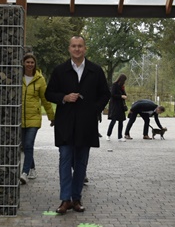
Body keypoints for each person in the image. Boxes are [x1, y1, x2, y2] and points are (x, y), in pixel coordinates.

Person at [46, 35, 110, 215]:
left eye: (80, 46)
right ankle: (65, 199)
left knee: (81, 162)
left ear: (85, 49)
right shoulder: (60, 70)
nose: (77, 49)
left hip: (86, 124)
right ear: (69, 48)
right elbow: (49, 93)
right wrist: (64, 98)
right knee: (65, 159)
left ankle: (76, 198)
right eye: (74, 46)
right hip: (65, 123)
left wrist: (94, 109)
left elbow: (105, 94)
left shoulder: (95, 71)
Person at [20, 52, 54, 185]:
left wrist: (51, 117)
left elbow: (45, 99)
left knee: (29, 144)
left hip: (34, 117)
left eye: (32, 62)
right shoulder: (18, 77)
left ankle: (24, 173)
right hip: (20, 118)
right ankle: (32, 168)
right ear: (23, 63)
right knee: (25, 146)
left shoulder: (40, 79)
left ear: (35, 64)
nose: (30, 64)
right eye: (27, 62)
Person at [106, 74, 128, 141]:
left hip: (121, 105)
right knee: (113, 120)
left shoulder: (122, 86)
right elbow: (112, 94)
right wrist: (121, 96)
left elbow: (124, 94)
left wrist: (124, 95)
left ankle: (120, 137)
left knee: (121, 121)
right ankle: (108, 135)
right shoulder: (114, 85)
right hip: (115, 105)